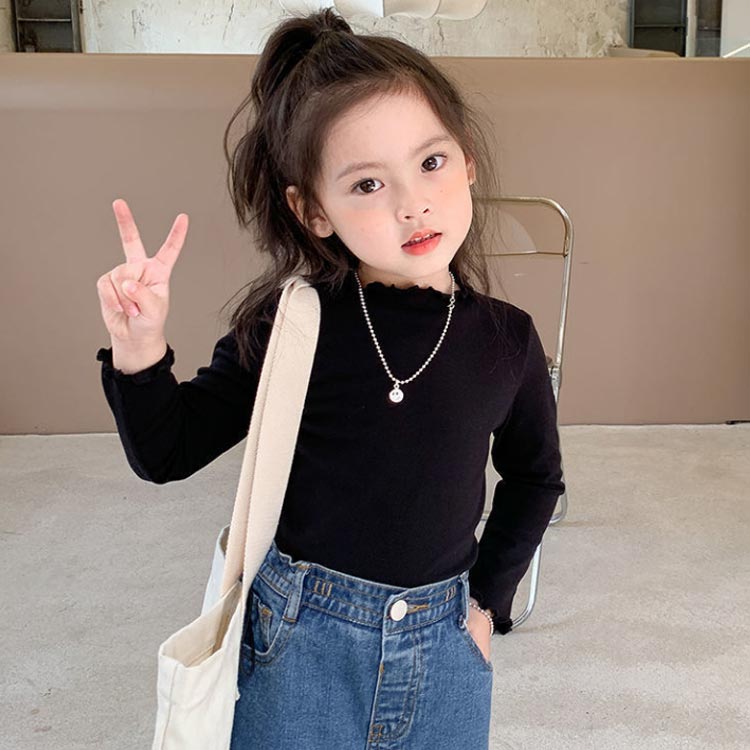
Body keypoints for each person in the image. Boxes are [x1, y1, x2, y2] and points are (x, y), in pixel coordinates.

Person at [94, 8, 565, 749]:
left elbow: (536, 477)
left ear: (468, 161)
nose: (412, 203)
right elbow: (166, 451)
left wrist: (485, 605)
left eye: (431, 163)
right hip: (299, 646)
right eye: (368, 183)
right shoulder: (292, 325)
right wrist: (140, 348)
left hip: (445, 646)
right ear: (313, 210)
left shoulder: (506, 339)